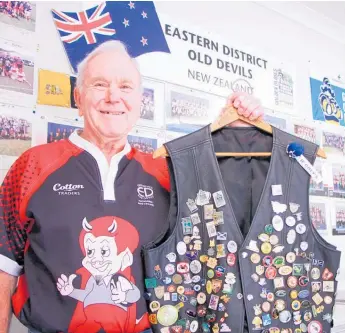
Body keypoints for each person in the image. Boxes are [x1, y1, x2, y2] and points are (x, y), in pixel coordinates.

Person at [0, 40, 264, 333]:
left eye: (126, 87)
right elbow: (4, 267)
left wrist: (234, 127)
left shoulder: (166, 172)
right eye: (100, 84)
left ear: (140, 101)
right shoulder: (33, 166)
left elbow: (224, 212)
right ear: (78, 97)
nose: (113, 97)